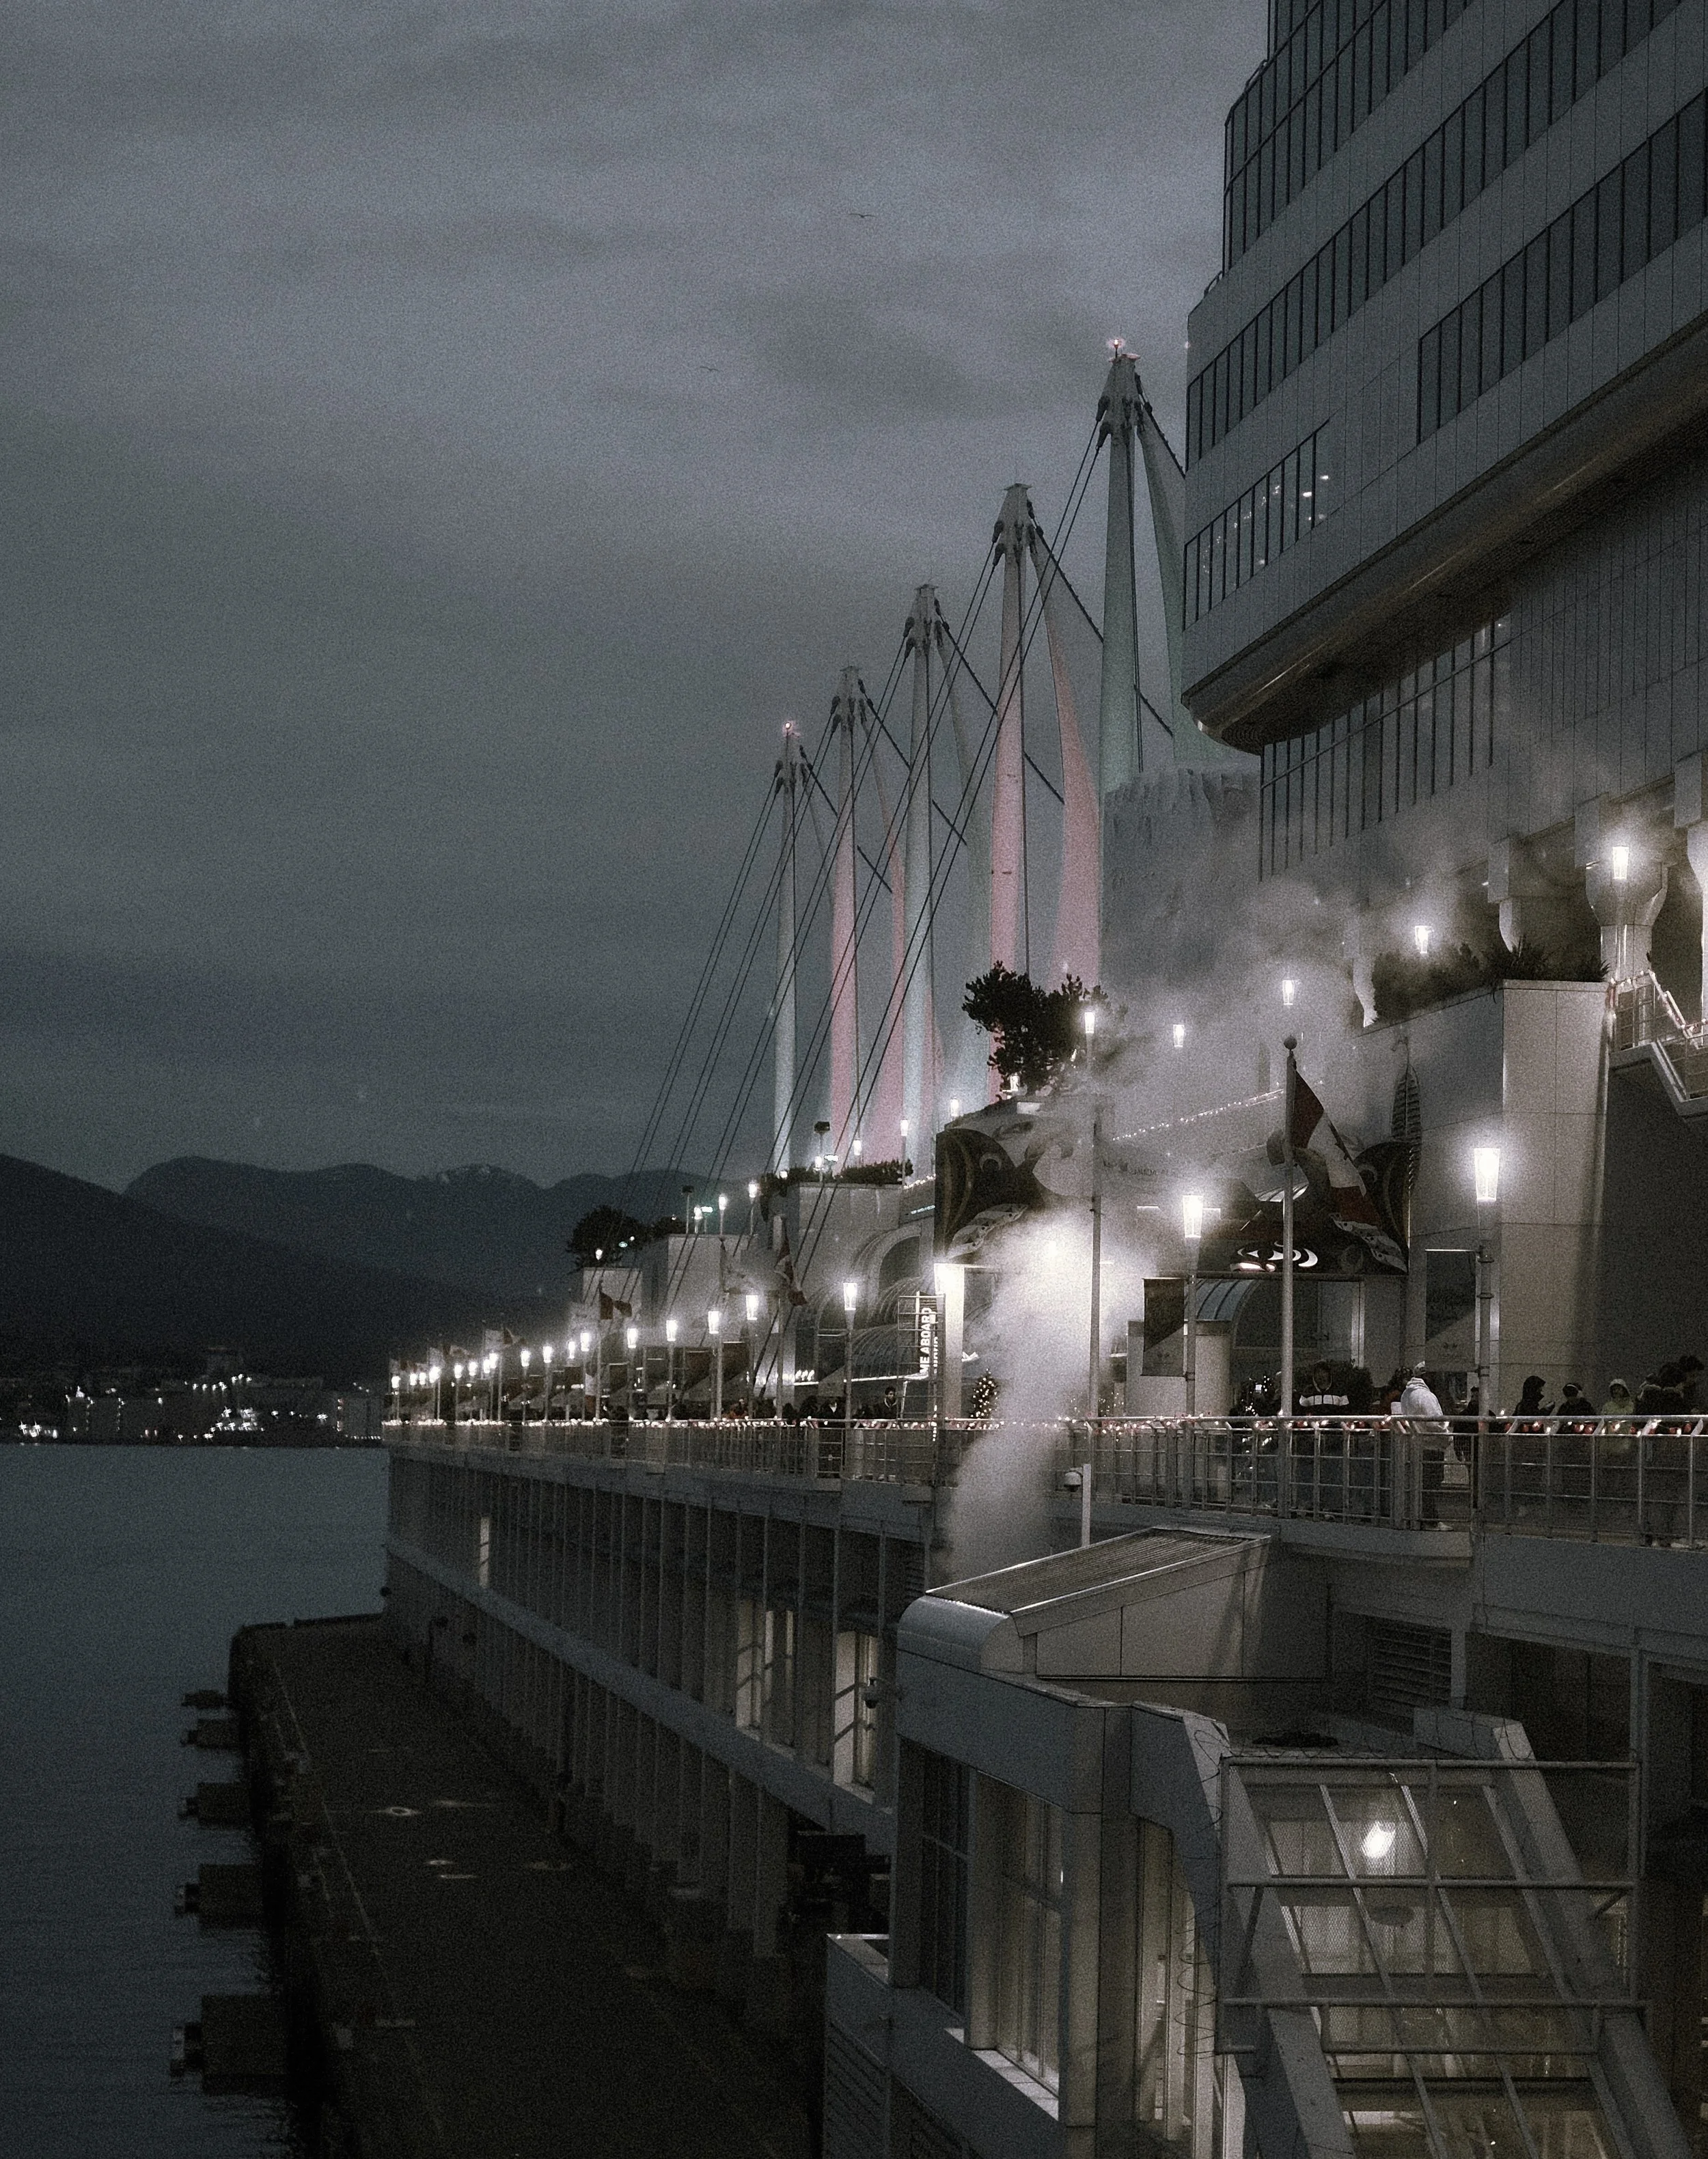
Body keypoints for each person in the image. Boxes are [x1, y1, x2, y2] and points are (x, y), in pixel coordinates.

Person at [1398, 1363, 1455, 1524]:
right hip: (1431, 1445)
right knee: (1431, 1486)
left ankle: (1417, 1518)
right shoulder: (1427, 1396)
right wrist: (1447, 1437)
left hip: (1416, 1444)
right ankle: (1431, 1520)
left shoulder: (1407, 1394)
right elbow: (1436, 1422)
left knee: (1419, 1485)